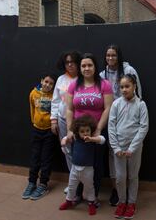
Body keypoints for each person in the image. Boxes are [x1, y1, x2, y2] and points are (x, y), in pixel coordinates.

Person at [65, 53, 113, 204]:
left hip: (98, 131)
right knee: (78, 164)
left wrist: (98, 129)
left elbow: (108, 108)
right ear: (80, 68)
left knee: (97, 164)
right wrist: (70, 130)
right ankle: (78, 195)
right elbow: (69, 110)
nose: (86, 68)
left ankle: (94, 195)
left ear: (95, 67)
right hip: (78, 134)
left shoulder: (104, 84)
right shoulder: (74, 85)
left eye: (90, 65)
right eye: (84, 65)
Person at [99, 44, 143, 206]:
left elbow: (138, 94)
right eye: (108, 55)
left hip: (129, 120)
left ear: (119, 56)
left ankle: (129, 199)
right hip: (111, 119)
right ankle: (117, 191)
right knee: (113, 156)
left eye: (114, 55)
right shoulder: (102, 74)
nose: (110, 58)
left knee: (131, 167)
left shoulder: (128, 70)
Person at [108, 74, 149, 219]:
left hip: (134, 148)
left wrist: (132, 148)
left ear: (134, 86)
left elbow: (144, 128)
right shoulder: (116, 104)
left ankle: (131, 203)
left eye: (127, 86)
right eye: (122, 87)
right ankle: (122, 202)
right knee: (120, 177)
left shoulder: (141, 105)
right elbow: (111, 126)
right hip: (118, 148)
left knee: (132, 176)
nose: (124, 89)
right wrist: (116, 148)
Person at [59, 115, 106, 215]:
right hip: (74, 169)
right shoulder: (75, 139)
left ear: (91, 130)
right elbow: (65, 138)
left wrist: (92, 139)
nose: (85, 133)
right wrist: (64, 140)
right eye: (82, 131)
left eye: (87, 130)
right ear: (78, 132)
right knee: (71, 187)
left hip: (88, 169)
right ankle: (68, 202)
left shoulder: (92, 140)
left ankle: (91, 204)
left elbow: (102, 140)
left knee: (90, 187)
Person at [22, 73, 57, 200]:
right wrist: (35, 122)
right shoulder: (33, 93)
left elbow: (56, 111)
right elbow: (32, 108)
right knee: (35, 157)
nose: (48, 85)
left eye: (51, 83)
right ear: (42, 81)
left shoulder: (54, 96)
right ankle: (32, 182)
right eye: (46, 81)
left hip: (49, 132)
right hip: (36, 130)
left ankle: (43, 184)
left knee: (46, 158)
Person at [50, 51, 81, 194]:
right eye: (67, 62)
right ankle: (73, 183)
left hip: (81, 122)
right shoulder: (61, 79)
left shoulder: (84, 78)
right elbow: (55, 101)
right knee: (68, 150)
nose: (70, 65)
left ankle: (83, 184)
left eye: (72, 62)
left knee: (81, 151)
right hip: (62, 120)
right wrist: (53, 120)